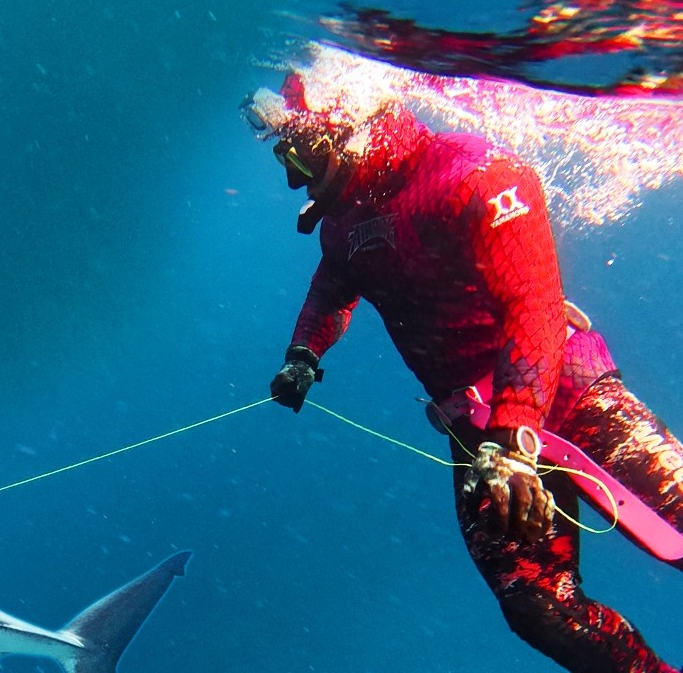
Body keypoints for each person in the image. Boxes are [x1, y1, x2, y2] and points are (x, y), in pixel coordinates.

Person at [242, 66, 683, 673]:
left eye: (303, 157)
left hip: (562, 391)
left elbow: (532, 304)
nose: (295, 180)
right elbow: (333, 287)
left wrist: (514, 438)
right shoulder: (344, 222)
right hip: (475, 428)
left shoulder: (474, 173)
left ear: (346, 132)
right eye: (288, 160)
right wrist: (303, 355)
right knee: (536, 604)